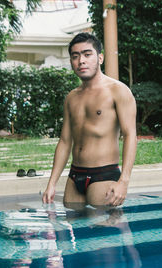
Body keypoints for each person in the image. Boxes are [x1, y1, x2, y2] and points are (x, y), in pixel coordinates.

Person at [42, 32, 137, 208]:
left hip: (104, 174)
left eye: (87, 54)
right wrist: (52, 183)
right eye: (75, 56)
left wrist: (123, 180)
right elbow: (64, 141)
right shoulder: (72, 97)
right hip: (75, 175)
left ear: (100, 58)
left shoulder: (118, 91)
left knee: (104, 232)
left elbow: (130, 134)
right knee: (75, 229)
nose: (81, 61)